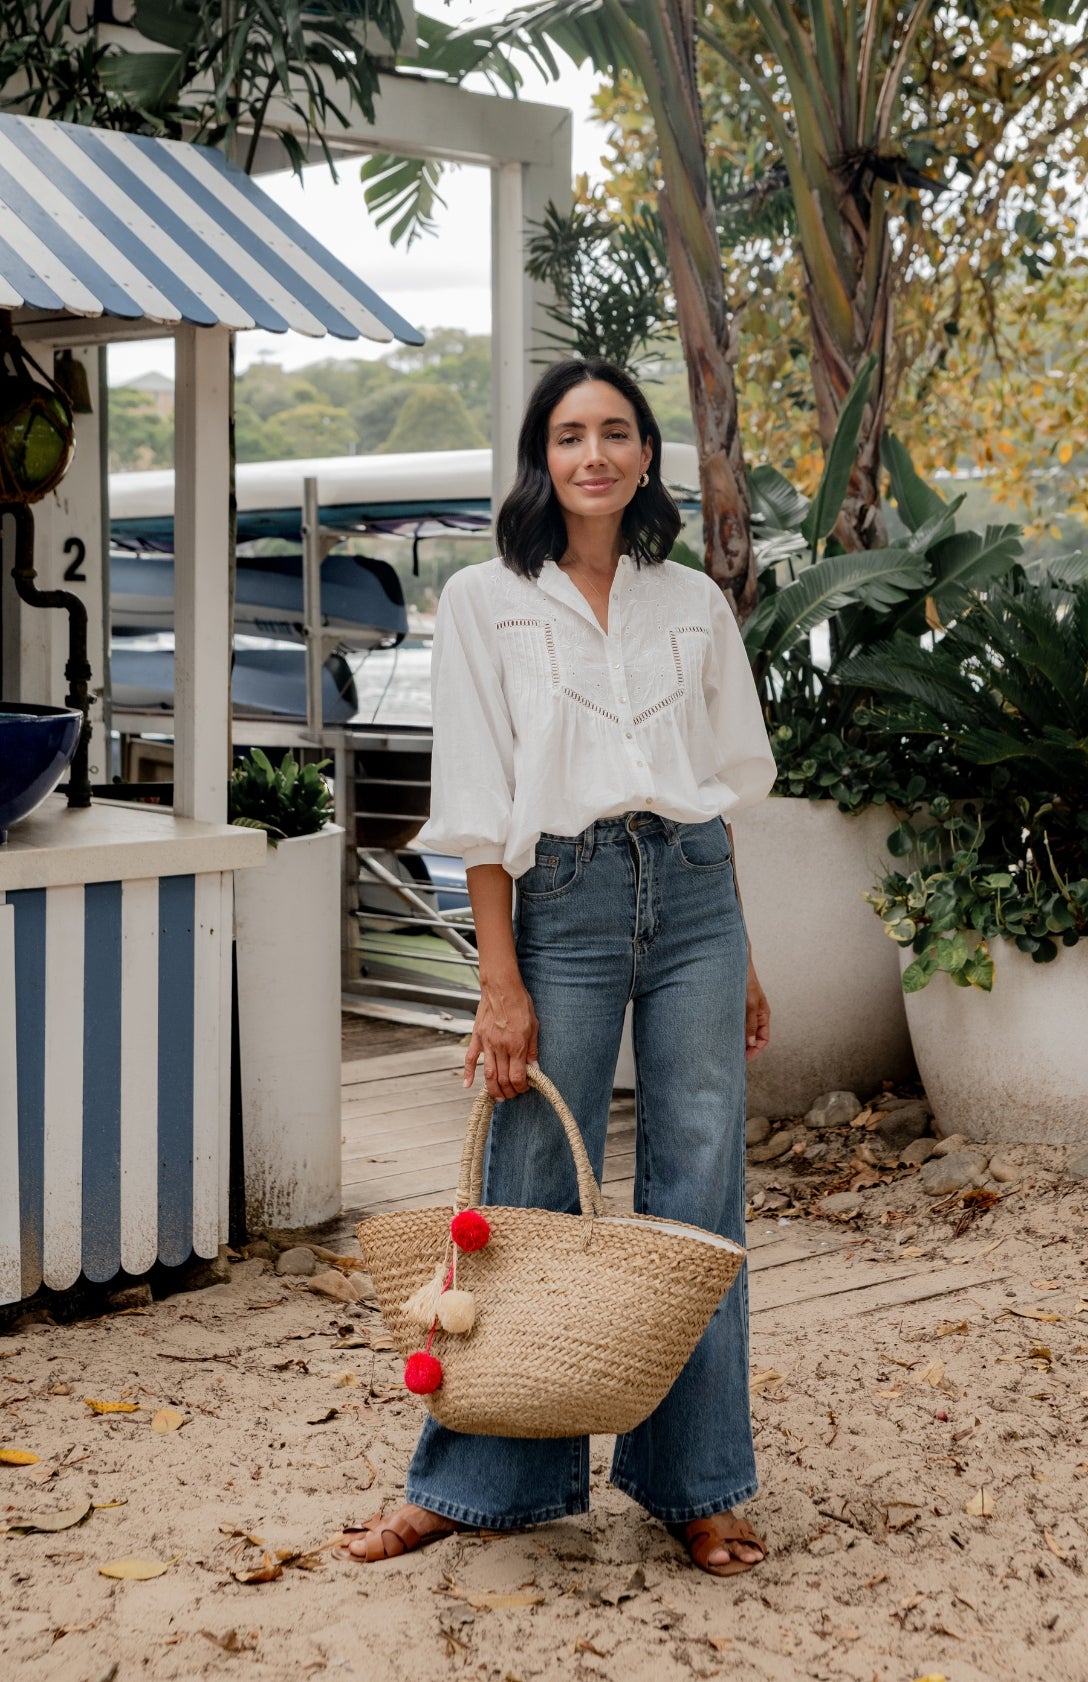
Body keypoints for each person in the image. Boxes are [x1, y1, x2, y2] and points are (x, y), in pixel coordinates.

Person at [341, 358, 775, 1575]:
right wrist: (500, 979)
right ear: (543, 456)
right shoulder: (487, 598)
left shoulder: (692, 599)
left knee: (702, 1197)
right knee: (528, 1189)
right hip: (564, 900)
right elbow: (478, 803)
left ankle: (698, 1483)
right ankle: (479, 1481)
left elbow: (722, 788)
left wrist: (743, 951)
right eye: (571, 434)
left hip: (694, 892)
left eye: (618, 433)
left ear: (646, 455)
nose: (596, 454)